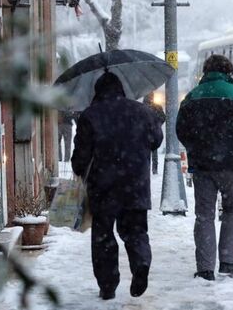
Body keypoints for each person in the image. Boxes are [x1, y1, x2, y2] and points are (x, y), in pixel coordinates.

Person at [71, 72, 163, 300]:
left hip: (103, 187)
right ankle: (141, 261)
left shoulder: (90, 116)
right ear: (122, 88)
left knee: (103, 236)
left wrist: (80, 167)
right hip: (136, 185)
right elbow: (156, 141)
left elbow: (80, 157)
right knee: (136, 230)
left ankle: (108, 285)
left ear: (97, 91)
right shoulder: (142, 112)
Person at [176, 54, 233, 281]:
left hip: (202, 166)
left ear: (206, 71)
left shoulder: (193, 96)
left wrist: (196, 148)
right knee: (232, 210)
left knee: (204, 215)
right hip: (231, 164)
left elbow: (180, 129)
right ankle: (228, 262)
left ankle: (205, 268)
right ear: (228, 71)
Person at [144, 93, 166, 174]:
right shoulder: (157, 107)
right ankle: (154, 169)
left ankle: (146, 169)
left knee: (144, 152)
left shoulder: (140, 107)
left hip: (143, 133)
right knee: (154, 151)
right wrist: (157, 125)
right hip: (153, 133)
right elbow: (163, 117)